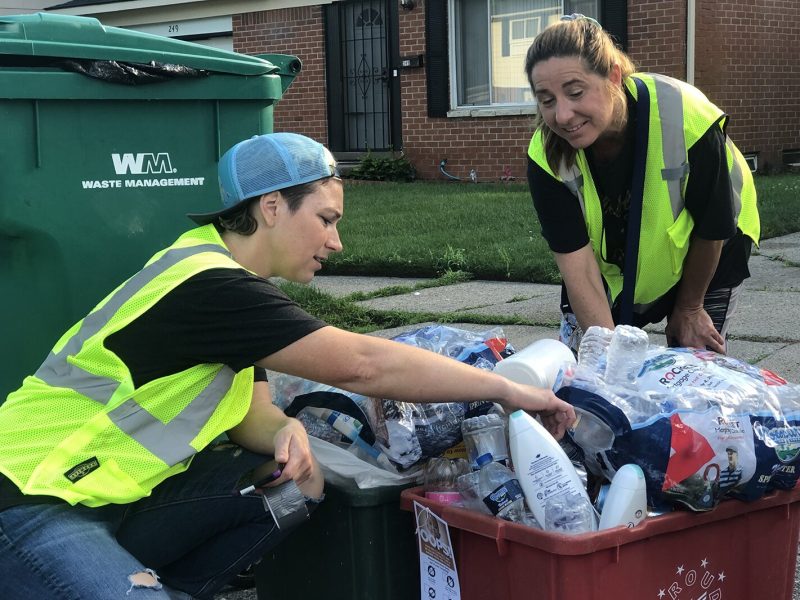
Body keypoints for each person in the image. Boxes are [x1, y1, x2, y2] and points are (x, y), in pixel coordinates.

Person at [0, 132, 575, 599]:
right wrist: (507, 389)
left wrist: (286, 429)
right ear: (271, 206)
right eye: (326, 220)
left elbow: (250, 414)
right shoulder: (212, 287)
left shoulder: (226, 282)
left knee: (296, 487)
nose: (337, 242)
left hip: (110, 496)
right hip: (31, 499)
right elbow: (363, 365)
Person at [524, 15, 760, 355]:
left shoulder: (686, 117)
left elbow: (713, 227)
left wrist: (689, 309)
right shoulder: (545, 156)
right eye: (547, 100)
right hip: (616, 273)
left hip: (711, 252)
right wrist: (607, 358)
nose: (562, 115)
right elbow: (578, 266)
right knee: (588, 371)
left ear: (614, 77)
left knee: (691, 380)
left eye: (575, 92)